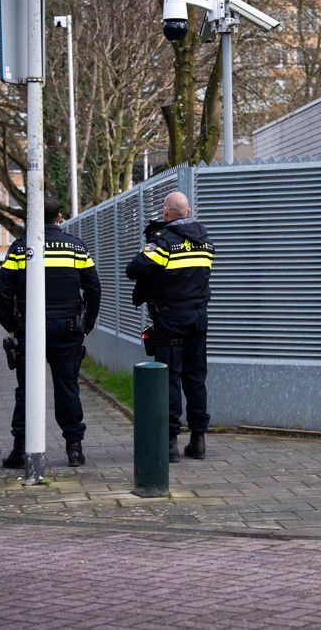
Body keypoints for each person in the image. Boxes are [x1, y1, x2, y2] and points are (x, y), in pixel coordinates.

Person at [0, 194, 100, 469]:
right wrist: (87, 324)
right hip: (68, 329)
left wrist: (11, 326)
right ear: (59, 217)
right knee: (68, 388)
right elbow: (94, 288)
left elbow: (3, 292)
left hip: (29, 328)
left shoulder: (21, 249)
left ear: (31, 219)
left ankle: (20, 449)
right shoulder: (76, 248)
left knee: (27, 389)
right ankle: (74, 449)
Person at [126, 191, 214, 463]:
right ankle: (198, 441)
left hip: (170, 319)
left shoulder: (163, 243)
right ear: (189, 211)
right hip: (198, 319)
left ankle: (170, 443)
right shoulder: (205, 242)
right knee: (196, 379)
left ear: (166, 212)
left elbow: (133, 269)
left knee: (169, 378)